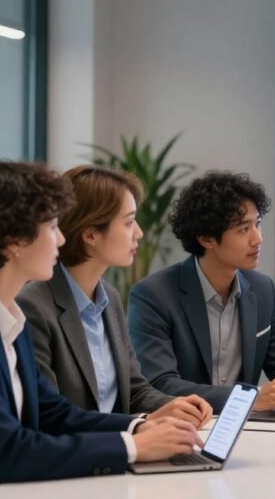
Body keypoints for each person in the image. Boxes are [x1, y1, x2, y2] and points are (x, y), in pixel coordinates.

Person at [0, 161, 200, 499]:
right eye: (52, 227)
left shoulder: (4, 314)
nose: (63, 238)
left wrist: (140, 427)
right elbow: (6, 451)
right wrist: (133, 447)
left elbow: (55, 414)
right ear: (14, 239)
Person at [18, 165, 212, 427]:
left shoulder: (108, 297)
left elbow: (134, 390)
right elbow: (50, 417)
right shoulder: (33, 306)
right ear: (90, 234)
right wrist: (137, 428)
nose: (139, 233)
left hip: (119, 449)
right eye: (130, 222)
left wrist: (174, 405)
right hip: (83, 459)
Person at [128, 171, 275, 413]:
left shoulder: (262, 289)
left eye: (257, 224)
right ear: (206, 239)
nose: (258, 239)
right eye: (243, 229)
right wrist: (247, 399)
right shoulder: (153, 294)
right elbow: (160, 383)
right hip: (185, 428)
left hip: (246, 432)